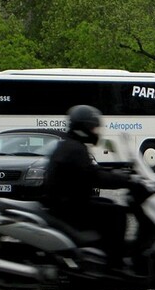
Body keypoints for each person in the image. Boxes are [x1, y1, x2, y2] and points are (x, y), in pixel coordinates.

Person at [43, 105, 134, 271]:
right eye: (93, 127)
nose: (96, 131)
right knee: (118, 214)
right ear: (83, 128)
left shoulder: (70, 145)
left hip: (66, 202)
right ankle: (114, 263)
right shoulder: (75, 149)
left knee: (108, 202)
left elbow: (89, 171)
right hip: (69, 206)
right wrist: (123, 179)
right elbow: (94, 177)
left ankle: (100, 251)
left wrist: (114, 173)